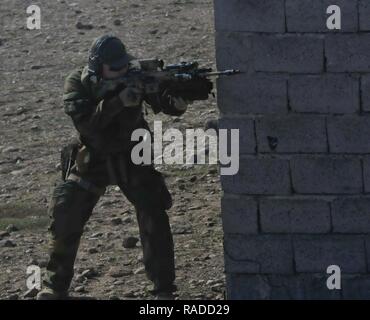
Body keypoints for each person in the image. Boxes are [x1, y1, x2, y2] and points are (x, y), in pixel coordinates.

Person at [36, 34, 190, 300]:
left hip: (132, 154)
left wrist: (175, 100)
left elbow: (163, 101)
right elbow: (86, 126)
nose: (121, 69)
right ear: (98, 66)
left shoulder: (136, 74)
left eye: (123, 65)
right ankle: (55, 286)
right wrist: (118, 102)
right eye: (114, 67)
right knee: (66, 211)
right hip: (93, 156)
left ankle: (163, 290)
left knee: (153, 212)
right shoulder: (77, 82)